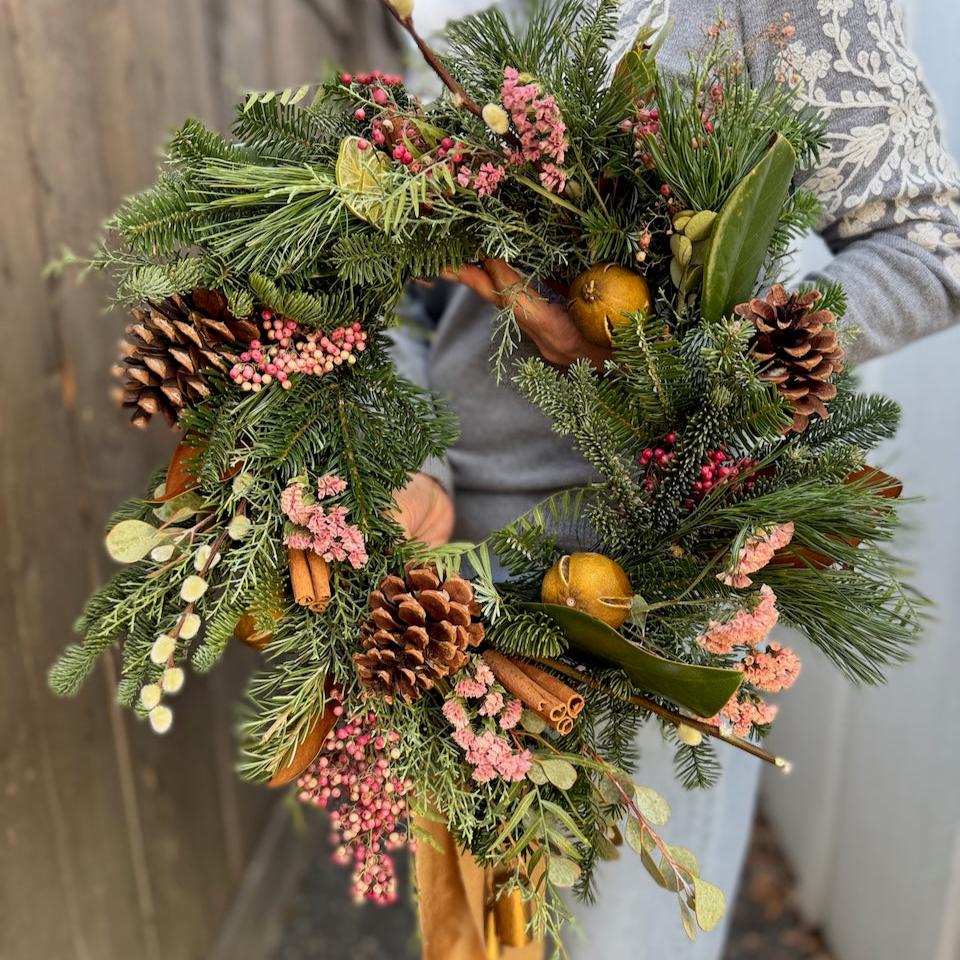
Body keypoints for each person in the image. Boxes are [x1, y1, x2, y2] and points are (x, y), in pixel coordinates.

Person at [391, 1, 960, 956]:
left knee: (618, 934)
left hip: (639, 588)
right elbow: (402, 272)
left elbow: (933, 247)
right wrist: (408, 448)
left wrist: (667, 361)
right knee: (468, 924)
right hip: (437, 559)